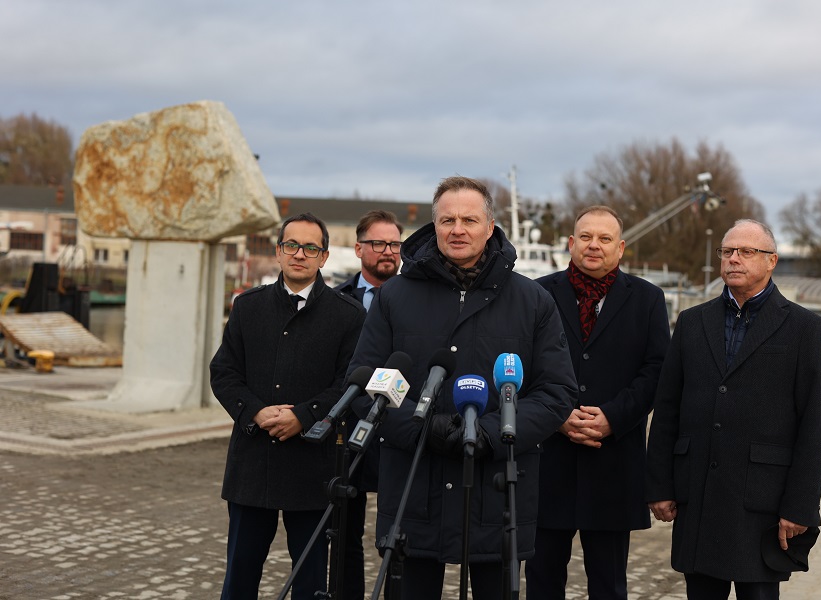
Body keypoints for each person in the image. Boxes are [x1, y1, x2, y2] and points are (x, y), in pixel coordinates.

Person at [347, 175, 577, 600]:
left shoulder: (532, 301)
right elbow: (366, 384)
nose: (458, 229)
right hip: (414, 491)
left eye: (469, 220)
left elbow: (556, 392)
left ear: (490, 227)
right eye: (447, 220)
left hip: (497, 494)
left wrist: (489, 432)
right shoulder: (394, 296)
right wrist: (423, 428)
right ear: (433, 225)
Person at [645, 219, 821, 600]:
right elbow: (666, 410)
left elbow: (816, 424)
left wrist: (800, 505)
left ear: (771, 261)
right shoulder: (692, 322)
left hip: (762, 505)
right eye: (727, 251)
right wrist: (659, 485)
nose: (733, 258)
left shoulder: (805, 328)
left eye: (746, 251)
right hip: (698, 499)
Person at [210, 213, 367, 600]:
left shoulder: (349, 315)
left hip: (312, 470)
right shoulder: (247, 307)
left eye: (310, 248)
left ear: (324, 257)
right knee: (239, 578)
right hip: (252, 465)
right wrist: (255, 411)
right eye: (292, 245)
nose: (300, 254)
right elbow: (224, 372)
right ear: (279, 252)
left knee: (311, 582)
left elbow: (349, 384)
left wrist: (303, 416)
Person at [525, 205, 671, 599]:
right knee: (541, 581)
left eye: (605, 238)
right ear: (571, 243)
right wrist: (556, 416)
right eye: (586, 237)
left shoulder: (648, 299)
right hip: (548, 463)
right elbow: (520, 364)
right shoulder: (536, 294)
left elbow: (656, 372)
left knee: (609, 585)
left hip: (613, 466)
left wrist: (612, 417)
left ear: (620, 248)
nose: (594, 245)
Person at [334, 209, 403, 600]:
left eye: (394, 244)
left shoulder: (415, 300)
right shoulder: (337, 300)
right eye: (378, 243)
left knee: (397, 538)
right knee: (344, 536)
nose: (388, 251)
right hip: (349, 434)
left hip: (397, 429)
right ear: (359, 248)